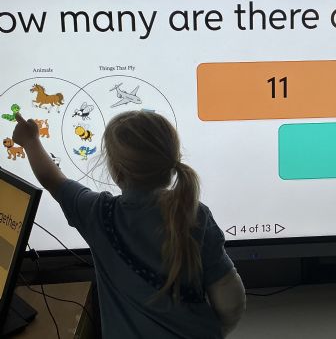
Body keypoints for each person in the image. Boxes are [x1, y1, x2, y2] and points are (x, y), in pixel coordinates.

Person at [13, 110, 246, 338]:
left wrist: (30, 141)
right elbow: (230, 299)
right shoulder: (194, 214)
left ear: (117, 171)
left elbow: (52, 179)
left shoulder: (98, 214)